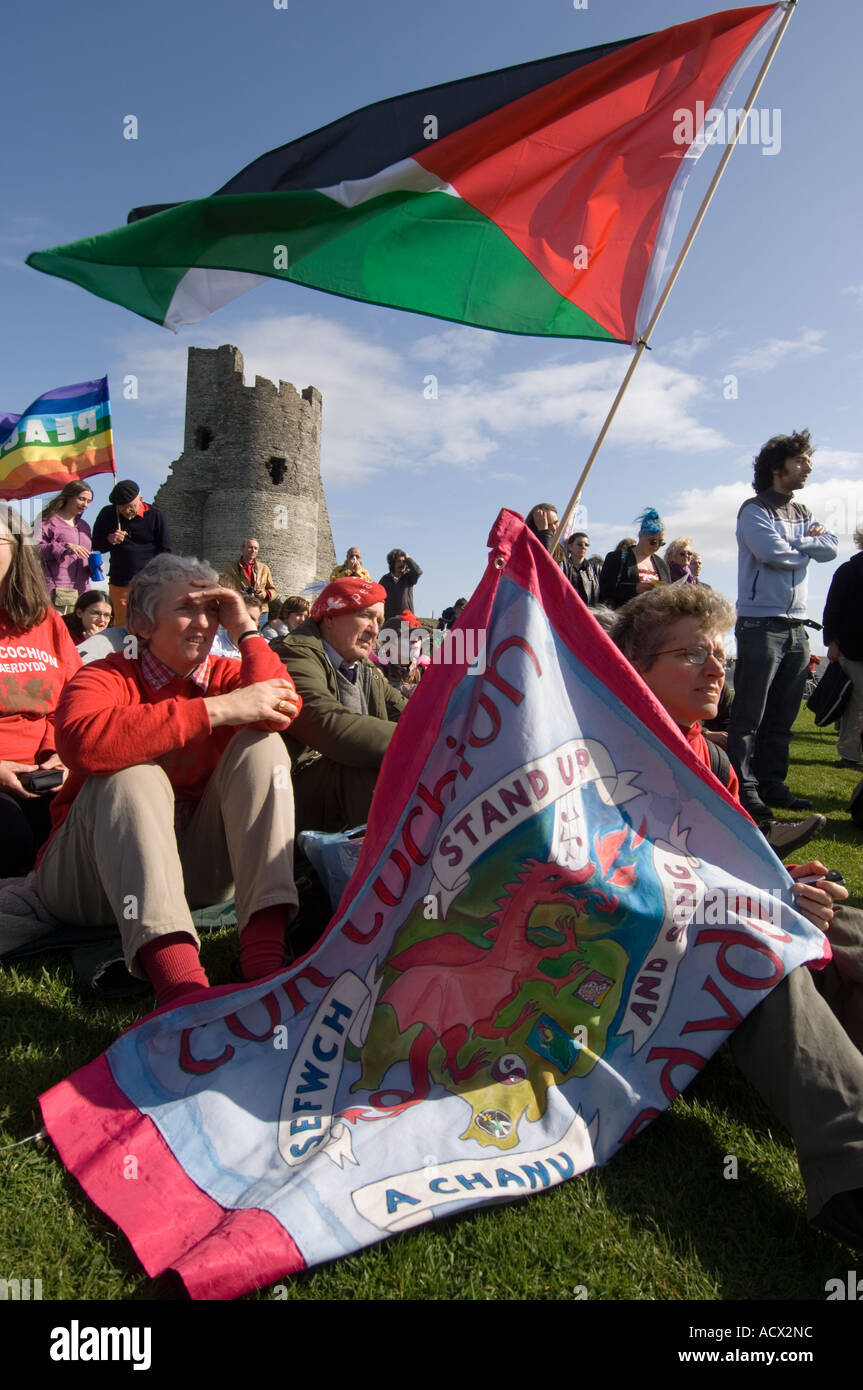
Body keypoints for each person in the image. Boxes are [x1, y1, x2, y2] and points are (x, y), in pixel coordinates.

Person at [611, 582, 863, 1249]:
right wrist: (760, 901)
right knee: (749, 944)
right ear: (636, 669)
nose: (717, 669)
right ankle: (854, 1172)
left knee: (846, 921)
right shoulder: (601, 754)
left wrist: (788, 885)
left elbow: (746, 861)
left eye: (718, 653)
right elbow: (607, 888)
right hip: (643, 962)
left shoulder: (712, 755)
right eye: (691, 654)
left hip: (722, 920)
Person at [34, 555, 302, 1005]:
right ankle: (181, 989)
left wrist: (247, 632)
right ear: (141, 622)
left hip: (193, 875)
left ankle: (264, 962)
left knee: (264, 748)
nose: (203, 622)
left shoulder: (228, 674)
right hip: (90, 882)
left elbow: (281, 707)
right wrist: (216, 711)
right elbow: (82, 744)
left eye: (212, 609)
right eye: (187, 609)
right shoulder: (106, 674)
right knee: (132, 775)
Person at [726, 431, 838, 825]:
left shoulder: (803, 511)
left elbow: (832, 547)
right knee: (749, 713)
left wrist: (800, 546)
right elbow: (772, 553)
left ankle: (773, 783)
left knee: (784, 715)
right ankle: (743, 785)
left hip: (797, 626)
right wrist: (805, 546)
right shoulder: (753, 509)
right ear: (778, 466)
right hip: (760, 624)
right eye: (801, 460)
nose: (808, 466)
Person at [273, 576, 406, 832]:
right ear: (330, 617)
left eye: (379, 621)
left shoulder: (364, 668)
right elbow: (328, 725)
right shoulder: (292, 654)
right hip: (294, 789)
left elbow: (407, 710)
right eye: (366, 616)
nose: (375, 630)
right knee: (365, 769)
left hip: (332, 791)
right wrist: (422, 740)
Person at [0, 510, 80, 876]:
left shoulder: (45, 620)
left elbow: (73, 699)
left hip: (47, 771)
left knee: (84, 837)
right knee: (13, 844)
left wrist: (60, 755)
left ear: (17, 551)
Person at [91, 479, 173, 627]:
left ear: (140, 500)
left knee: (149, 625)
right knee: (123, 627)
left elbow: (166, 551)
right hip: (120, 583)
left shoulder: (155, 516)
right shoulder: (107, 514)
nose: (126, 511)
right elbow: (96, 545)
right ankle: (125, 651)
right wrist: (109, 539)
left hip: (149, 584)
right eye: (121, 507)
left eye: (131, 506)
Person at [823, 523, 863, 769]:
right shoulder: (849, 570)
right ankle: (850, 754)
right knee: (858, 704)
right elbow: (833, 608)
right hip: (853, 647)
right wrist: (832, 642)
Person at [37, 481, 94, 612]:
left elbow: (85, 555)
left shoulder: (85, 526)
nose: (85, 504)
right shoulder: (46, 520)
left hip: (82, 593)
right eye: (81, 499)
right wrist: (64, 547)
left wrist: (94, 566)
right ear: (69, 496)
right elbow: (32, 550)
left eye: (89, 501)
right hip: (56, 591)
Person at [599, 508, 672, 608]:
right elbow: (605, 589)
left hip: (655, 618)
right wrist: (634, 589)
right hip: (625, 617)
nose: (657, 546)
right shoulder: (617, 558)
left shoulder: (662, 564)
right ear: (640, 535)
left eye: (661, 543)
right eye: (653, 542)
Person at [219, 537, 277, 610]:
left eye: (256, 548)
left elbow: (273, 590)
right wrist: (236, 593)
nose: (253, 550)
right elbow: (223, 588)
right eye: (250, 547)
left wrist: (266, 594)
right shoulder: (230, 568)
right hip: (239, 608)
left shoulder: (264, 569)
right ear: (242, 549)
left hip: (261, 610)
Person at [525, 504, 571, 580]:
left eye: (556, 522)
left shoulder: (560, 549)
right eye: (548, 524)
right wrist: (544, 531)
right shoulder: (528, 545)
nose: (553, 528)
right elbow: (546, 563)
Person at [379, 549, 422, 620]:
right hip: (388, 619)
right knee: (388, 631)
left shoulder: (409, 577)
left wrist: (408, 559)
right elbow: (379, 598)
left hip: (406, 618)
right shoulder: (385, 579)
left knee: (404, 631)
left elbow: (418, 572)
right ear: (393, 563)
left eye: (404, 562)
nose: (402, 564)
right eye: (399, 561)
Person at [565, 532, 601, 607]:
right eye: (580, 544)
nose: (583, 547)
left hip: (589, 612)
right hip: (569, 611)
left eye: (586, 545)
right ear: (570, 547)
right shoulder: (563, 568)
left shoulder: (595, 569)